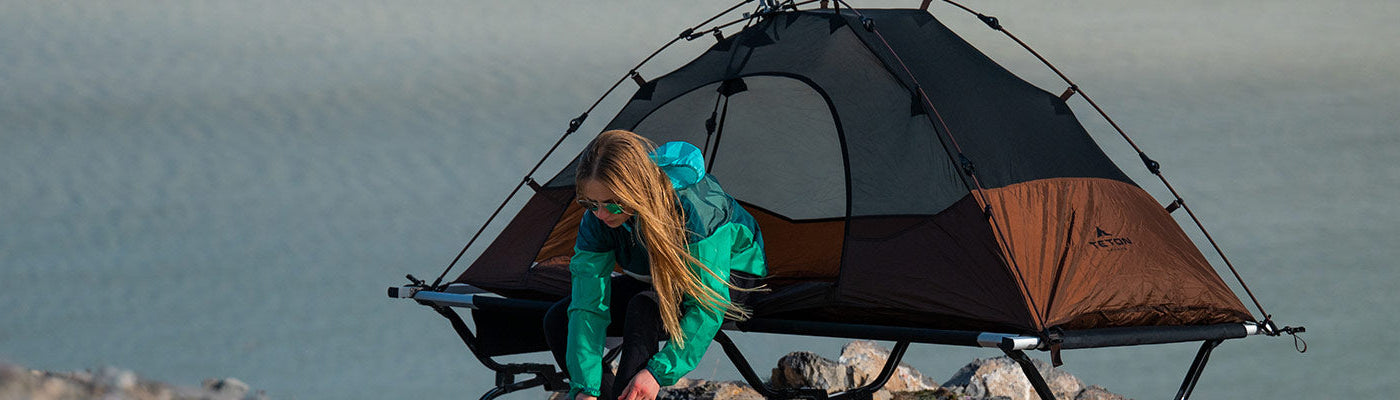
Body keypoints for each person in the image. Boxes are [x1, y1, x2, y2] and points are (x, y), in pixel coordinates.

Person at [543, 130, 766, 400]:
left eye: (613, 205)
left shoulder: (694, 210)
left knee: (643, 307)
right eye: (590, 203)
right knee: (558, 320)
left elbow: (708, 306)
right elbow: (587, 306)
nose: (601, 214)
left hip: (730, 279)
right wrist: (585, 388)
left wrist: (657, 373)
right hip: (660, 279)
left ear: (636, 191)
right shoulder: (597, 220)